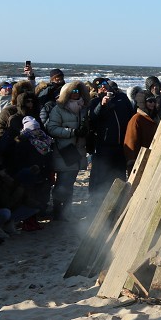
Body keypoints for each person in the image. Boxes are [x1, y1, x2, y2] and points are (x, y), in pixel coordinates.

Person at [45, 81, 90, 220]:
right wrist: (72, 132)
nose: (76, 94)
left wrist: (85, 131)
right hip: (63, 151)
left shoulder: (83, 108)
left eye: (78, 92)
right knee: (61, 184)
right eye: (73, 92)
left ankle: (67, 211)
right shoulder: (58, 109)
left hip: (78, 152)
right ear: (66, 93)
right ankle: (58, 211)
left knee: (70, 183)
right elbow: (51, 128)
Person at [87, 79, 134, 193]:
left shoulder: (122, 98)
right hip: (104, 146)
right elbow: (92, 119)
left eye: (104, 84)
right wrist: (101, 105)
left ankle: (118, 201)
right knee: (101, 176)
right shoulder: (95, 102)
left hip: (122, 144)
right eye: (99, 87)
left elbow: (132, 115)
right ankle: (97, 201)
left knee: (119, 175)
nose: (103, 88)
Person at [123, 94, 159, 175]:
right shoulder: (136, 119)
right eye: (150, 101)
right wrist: (132, 162)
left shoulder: (154, 118)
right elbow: (131, 141)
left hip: (152, 159)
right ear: (142, 103)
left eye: (154, 101)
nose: (152, 103)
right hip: (140, 160)